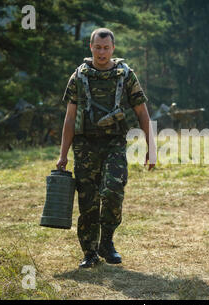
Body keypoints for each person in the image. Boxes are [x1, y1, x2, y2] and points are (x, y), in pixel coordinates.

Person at [57, 28, 155, 268]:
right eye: (97, 47)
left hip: (114, 144)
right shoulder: (78, 77)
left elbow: (142, 113)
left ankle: (107, 242)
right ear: (91, 48)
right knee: (88, 201)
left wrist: (150, 148)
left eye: (106, 47)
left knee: (113, 191)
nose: (102, 52)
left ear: (113, 48)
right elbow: (69, 118)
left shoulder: (126, 75)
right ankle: (89, 252)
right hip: (85, 146)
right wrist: (62, 155)